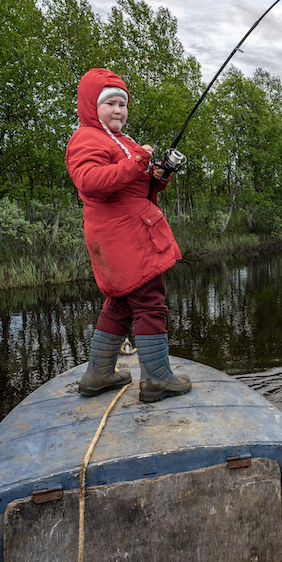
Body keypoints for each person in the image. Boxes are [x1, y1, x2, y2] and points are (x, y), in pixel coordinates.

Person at [65, 68, 191, 403]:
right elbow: (90, 182)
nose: (118, 110)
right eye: (110, 104)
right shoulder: (86, 139)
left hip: (129, 235)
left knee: (121, 302)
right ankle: (156, 381)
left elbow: (136, 184)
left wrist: (157, 175)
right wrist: (137, 161)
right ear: (92, 107)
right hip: (122, 239)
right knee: (150, 302)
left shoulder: (122, 141)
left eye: (122, 104)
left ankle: (99, 374)